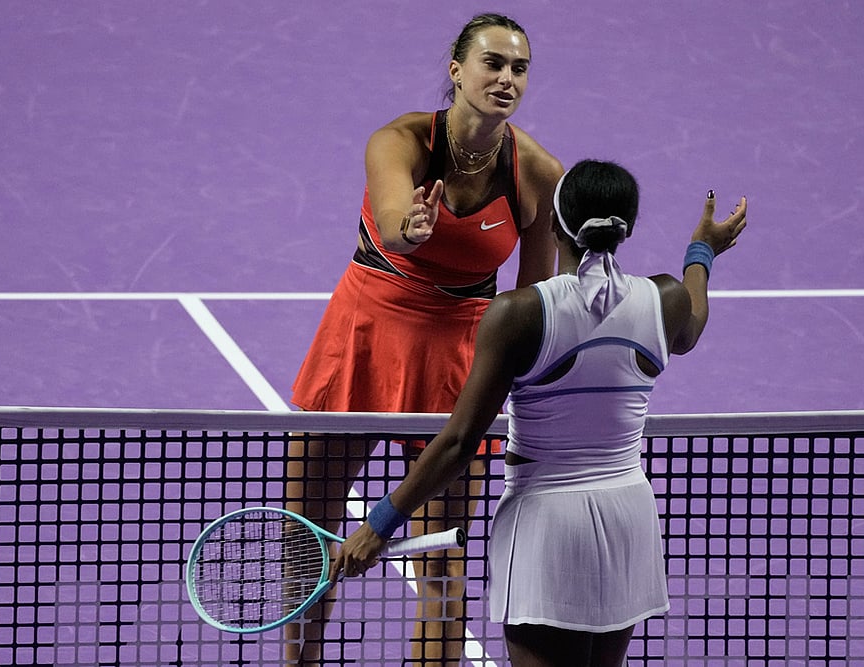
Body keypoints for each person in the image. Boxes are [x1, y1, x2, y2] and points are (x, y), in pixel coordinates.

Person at [331, 159, 748, 667]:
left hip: (547, 527)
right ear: (626, 229)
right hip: (629, 518)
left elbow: (461, 441)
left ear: (553, 225)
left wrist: (378, 524)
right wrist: (702, 250)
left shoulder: (518, 313)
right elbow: (694, 319)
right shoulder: (666, 299)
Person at [286, 13, 564, 667]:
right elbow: (389, 219)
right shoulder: (402, 140)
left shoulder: (539, 173)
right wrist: (409, 229)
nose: (505, 78)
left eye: (518, 68)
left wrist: (521, 386)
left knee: (443, 562)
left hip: (458, 360)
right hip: (361, 339)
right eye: (492, 63)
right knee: (304, 538)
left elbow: (530, 300)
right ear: (457, 70)